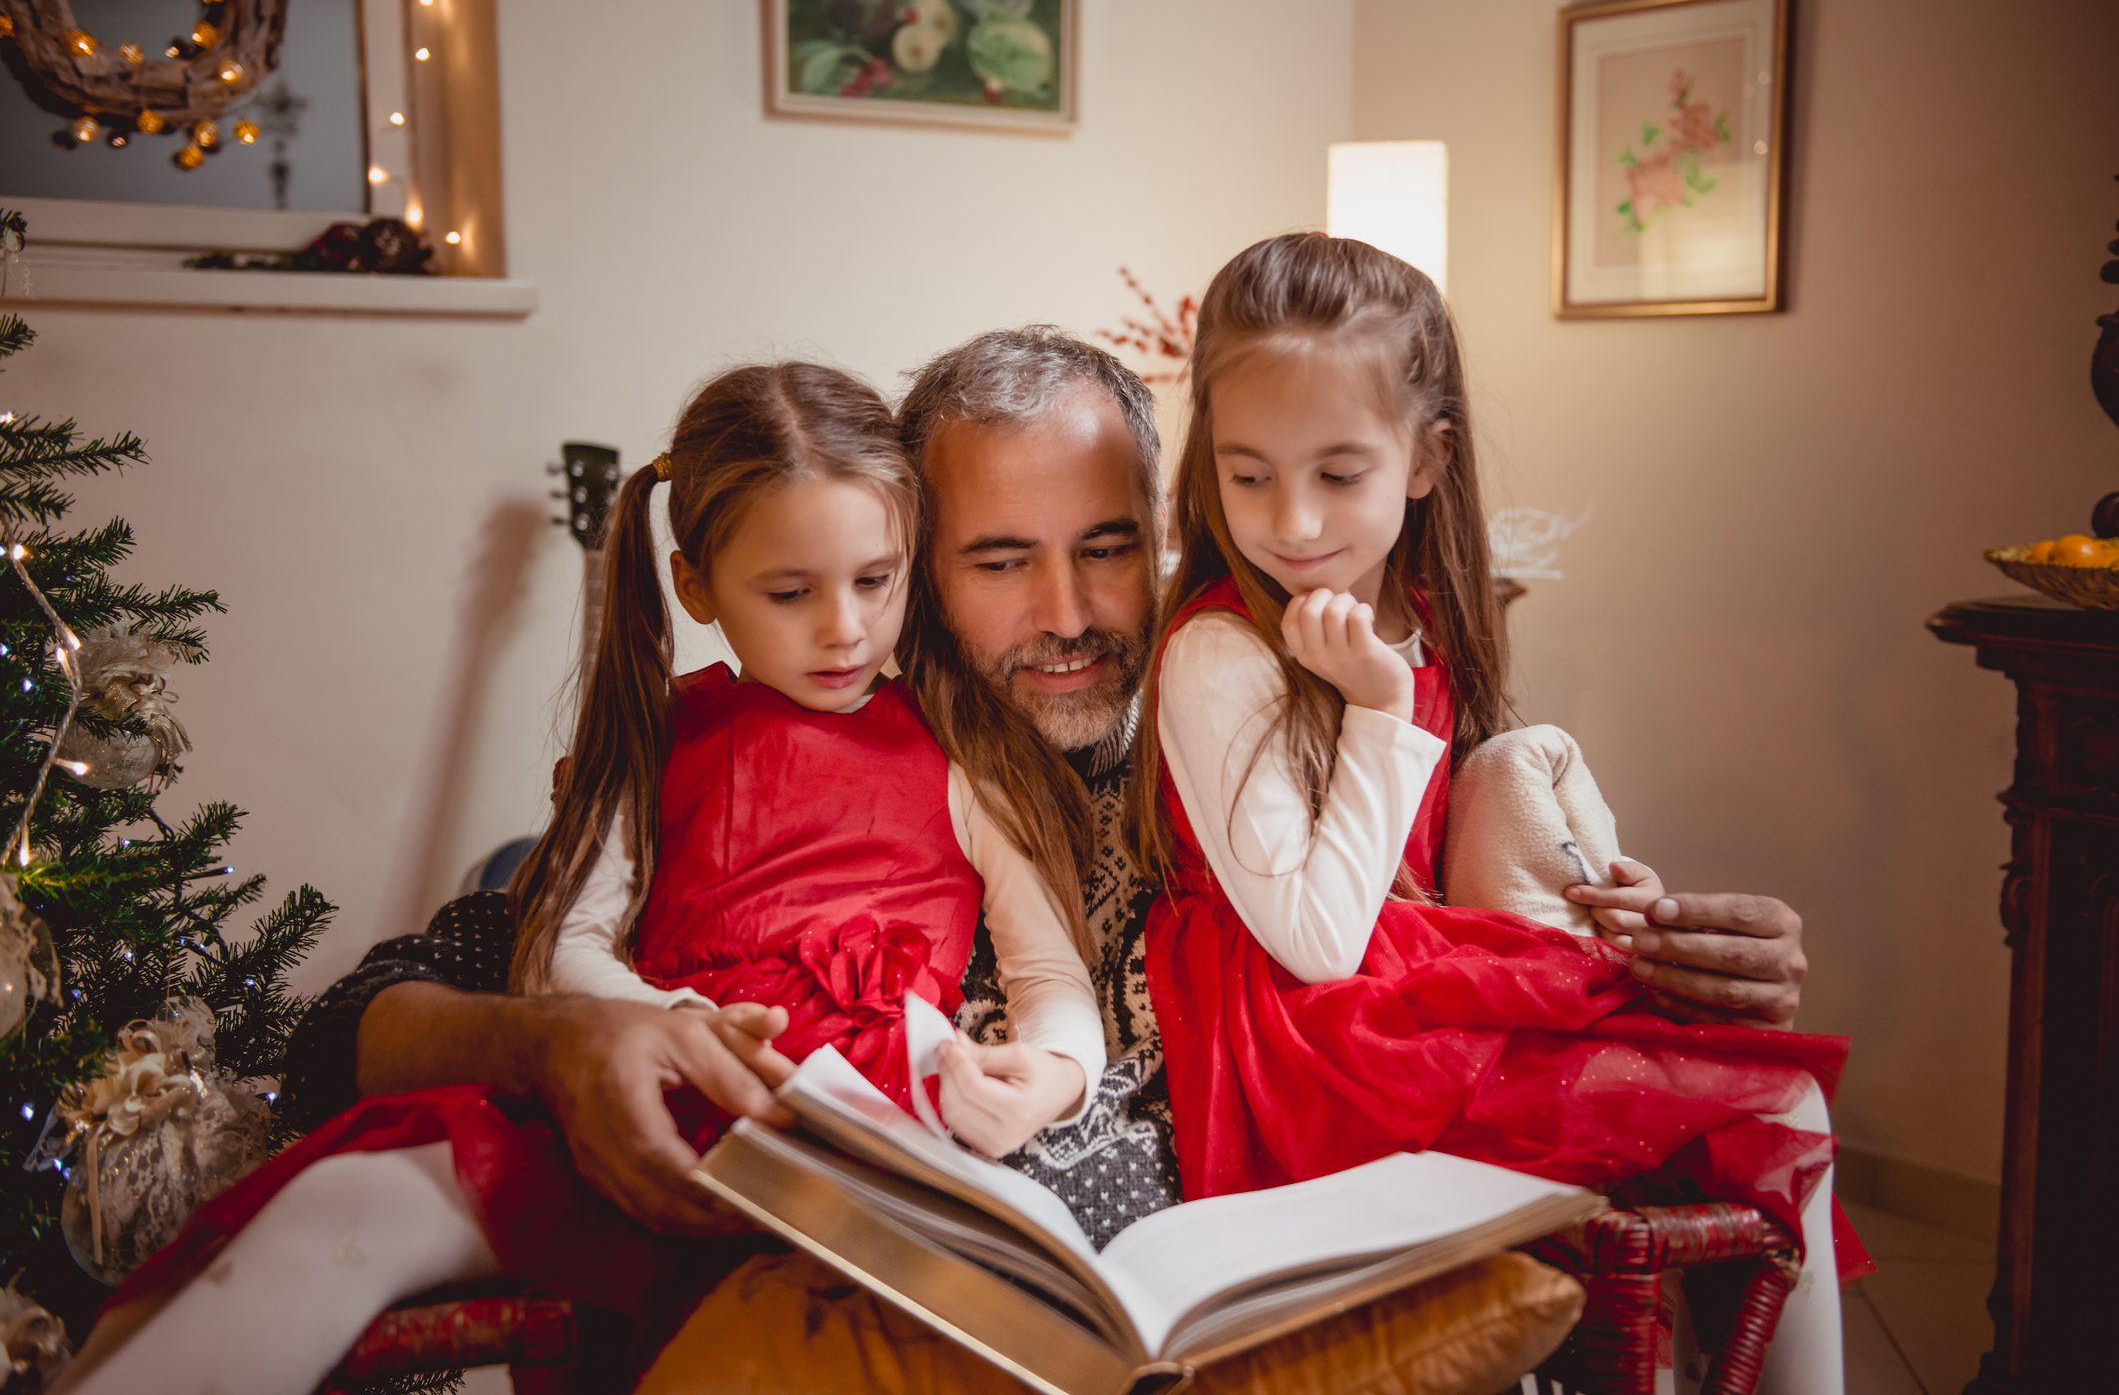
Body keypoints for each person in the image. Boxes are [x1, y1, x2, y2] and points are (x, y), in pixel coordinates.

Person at [257, 325, 1818, 1382]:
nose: (1066, 613)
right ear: (912, 573)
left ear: (1169, 531)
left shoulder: (1270, 740)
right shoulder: (804, 778)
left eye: (1105, 547)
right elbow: (348, 1020)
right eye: (999, 560)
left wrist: (1646, 941)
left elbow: (1455, 935)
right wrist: (551, 1038)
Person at [57, 362, 1105, 1395]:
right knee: (352, 1210)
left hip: (869, 1135)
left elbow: (1048, 971)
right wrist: (670, 1023)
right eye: (790, 592)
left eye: (875, 581)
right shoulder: (654, 745)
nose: (843, 628)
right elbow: (559, 950)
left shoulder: (963, 754)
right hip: (651, 1097)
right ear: (694, 583)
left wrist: (1050, 1076)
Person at [1131, 232, 1860, 1393]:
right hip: (1295, 1036)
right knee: (1767, 1103)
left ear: (1425, 462)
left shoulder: (1420, 619)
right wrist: (1374, 704)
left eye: (1338, 470)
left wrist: (1605, 902)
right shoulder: (1219, 651)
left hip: (1401, 985)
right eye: (1248, 470)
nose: (1293, 520)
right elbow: (1313, 939)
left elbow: (1435, 849)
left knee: (1769, 1090)